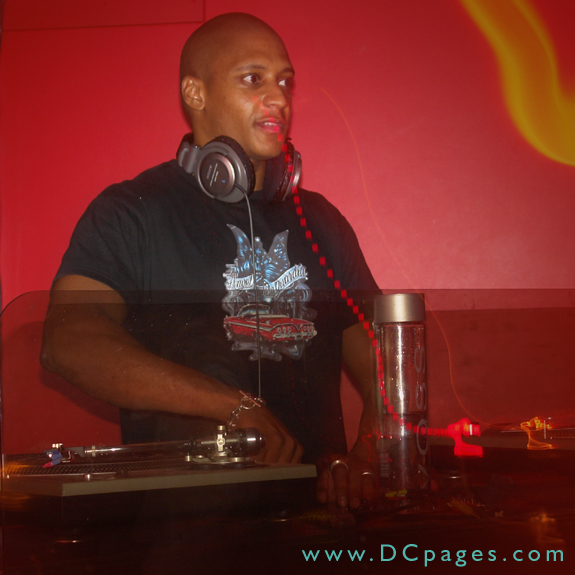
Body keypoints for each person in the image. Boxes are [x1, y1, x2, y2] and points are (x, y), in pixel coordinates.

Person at [41, 12, 379, 509]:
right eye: (253, 79)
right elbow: (68, 342)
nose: (280, 98)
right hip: (182, 526)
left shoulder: (322, 221)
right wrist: (232, 407)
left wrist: (369, 456)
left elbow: (388, 362)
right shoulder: (131, 212)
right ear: (195, 94)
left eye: (285, 81)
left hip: (314, 520)